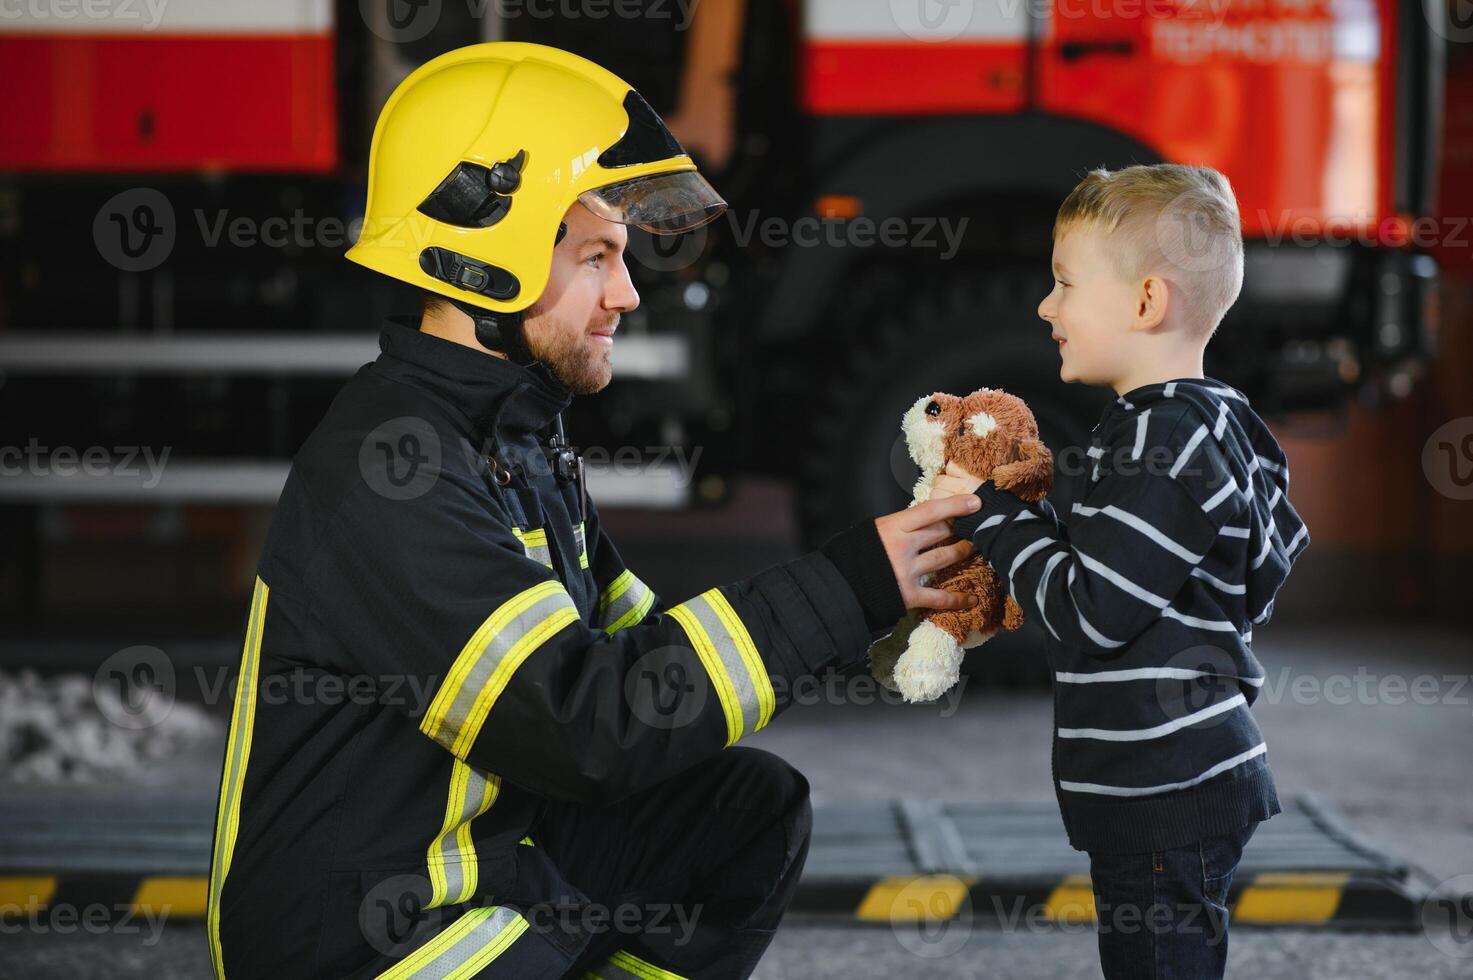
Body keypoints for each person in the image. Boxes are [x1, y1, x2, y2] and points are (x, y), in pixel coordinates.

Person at [204, 42, 981, 980]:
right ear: (477, 254)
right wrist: (844, 583)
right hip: (369, 937)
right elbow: (587, 727)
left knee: (744, 812)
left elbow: (646, 662)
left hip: (483, 869)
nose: (627, 292)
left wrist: (884, 601)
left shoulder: (513, 436)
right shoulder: (390, 468)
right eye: (596, 257)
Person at [932, 164, 1310, 979]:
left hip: (1164, 787)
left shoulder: (1160, 440)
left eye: (1065, 283)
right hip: (1178, 776)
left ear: (1144, 303)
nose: (1046, 306)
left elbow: (1091, 610)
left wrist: (998, 513)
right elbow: (1247, 559)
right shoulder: (1209, 421)